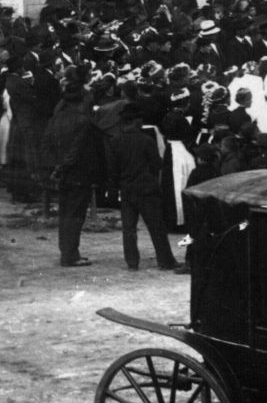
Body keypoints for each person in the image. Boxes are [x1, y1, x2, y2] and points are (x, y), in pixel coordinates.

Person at [105, 102, 178, 271]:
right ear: (136, 121)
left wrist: (115, 188)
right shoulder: (146, 140)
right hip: (146, 189)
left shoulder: (115, 141)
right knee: (156, 227)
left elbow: (112, 169)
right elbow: (157, 164)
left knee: (128, 229)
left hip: (127, 189)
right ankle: (165, 261)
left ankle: (132, 262)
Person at [43, 80, 102, 267]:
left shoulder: (55, 119)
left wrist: (55, 167)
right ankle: (70, 254)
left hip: (61, 174)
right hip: (78, 173)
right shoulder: (84, 122)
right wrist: (64, 166)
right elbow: (77, 150)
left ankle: (67, 252)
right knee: (76, 215)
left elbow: (46, 145)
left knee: (65, 213)